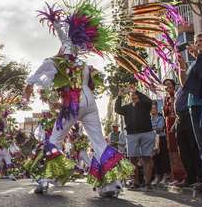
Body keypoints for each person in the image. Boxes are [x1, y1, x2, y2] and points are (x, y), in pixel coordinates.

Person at [25, 19, 134, 197]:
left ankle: (45, 180)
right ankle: (111, 185)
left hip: (73, 106)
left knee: (54, 139)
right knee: (99, 142)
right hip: (90, 104)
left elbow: (39, 73)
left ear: (63, 49)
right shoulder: (84, 65)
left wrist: (28, 86)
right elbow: (90, 85)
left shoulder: (56, 62)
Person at [179, 32, 202, 191]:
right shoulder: (194, 64)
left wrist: (197, 57)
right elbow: (185, 86)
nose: (198, 42)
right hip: (193, 107)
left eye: (201, 40)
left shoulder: (200, 60)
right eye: (196, 41)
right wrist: (182, 68)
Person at [115, 86, 154, 191]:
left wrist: (136, 90)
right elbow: (117, 109)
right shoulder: (127, 107)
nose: (133, 95)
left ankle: (147, 183)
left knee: (147, 158)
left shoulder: (145, 104)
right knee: (133, 159)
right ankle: (135, 182)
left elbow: (149, 100)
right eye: (132, 94)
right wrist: (119, 96)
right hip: (132, 135)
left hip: (147, 133)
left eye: (135, 93)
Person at [175, 86, 202, 187]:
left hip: (189, 114)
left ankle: (201, 177)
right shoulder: (179, 88)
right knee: (183, 150)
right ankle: (190, 177)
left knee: (194, 147)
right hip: (180, 118)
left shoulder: (191, 83)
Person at [163, 79, 186, 185]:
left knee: (181, 149)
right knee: (172, 151)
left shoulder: (178, 95)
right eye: (165, 85)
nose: (167, 86)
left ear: (173, 85)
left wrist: (175, 124)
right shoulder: (165, 98)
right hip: (168, 125)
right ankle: (176, 177)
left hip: (177, 123)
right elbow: (165, 114)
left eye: (169, 84)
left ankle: (185, 176)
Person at [150, 102, 170, 186]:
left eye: (154, 108)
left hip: (161, 138)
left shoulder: (160, 118)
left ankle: (165, 176)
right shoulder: (149, 119)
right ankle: (157, 176)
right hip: (152, 140)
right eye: (151, 108)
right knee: (155, 158)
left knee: (163, 157)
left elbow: (160, 128)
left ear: (157, 109)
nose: (152, 110)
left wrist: (152, 128)